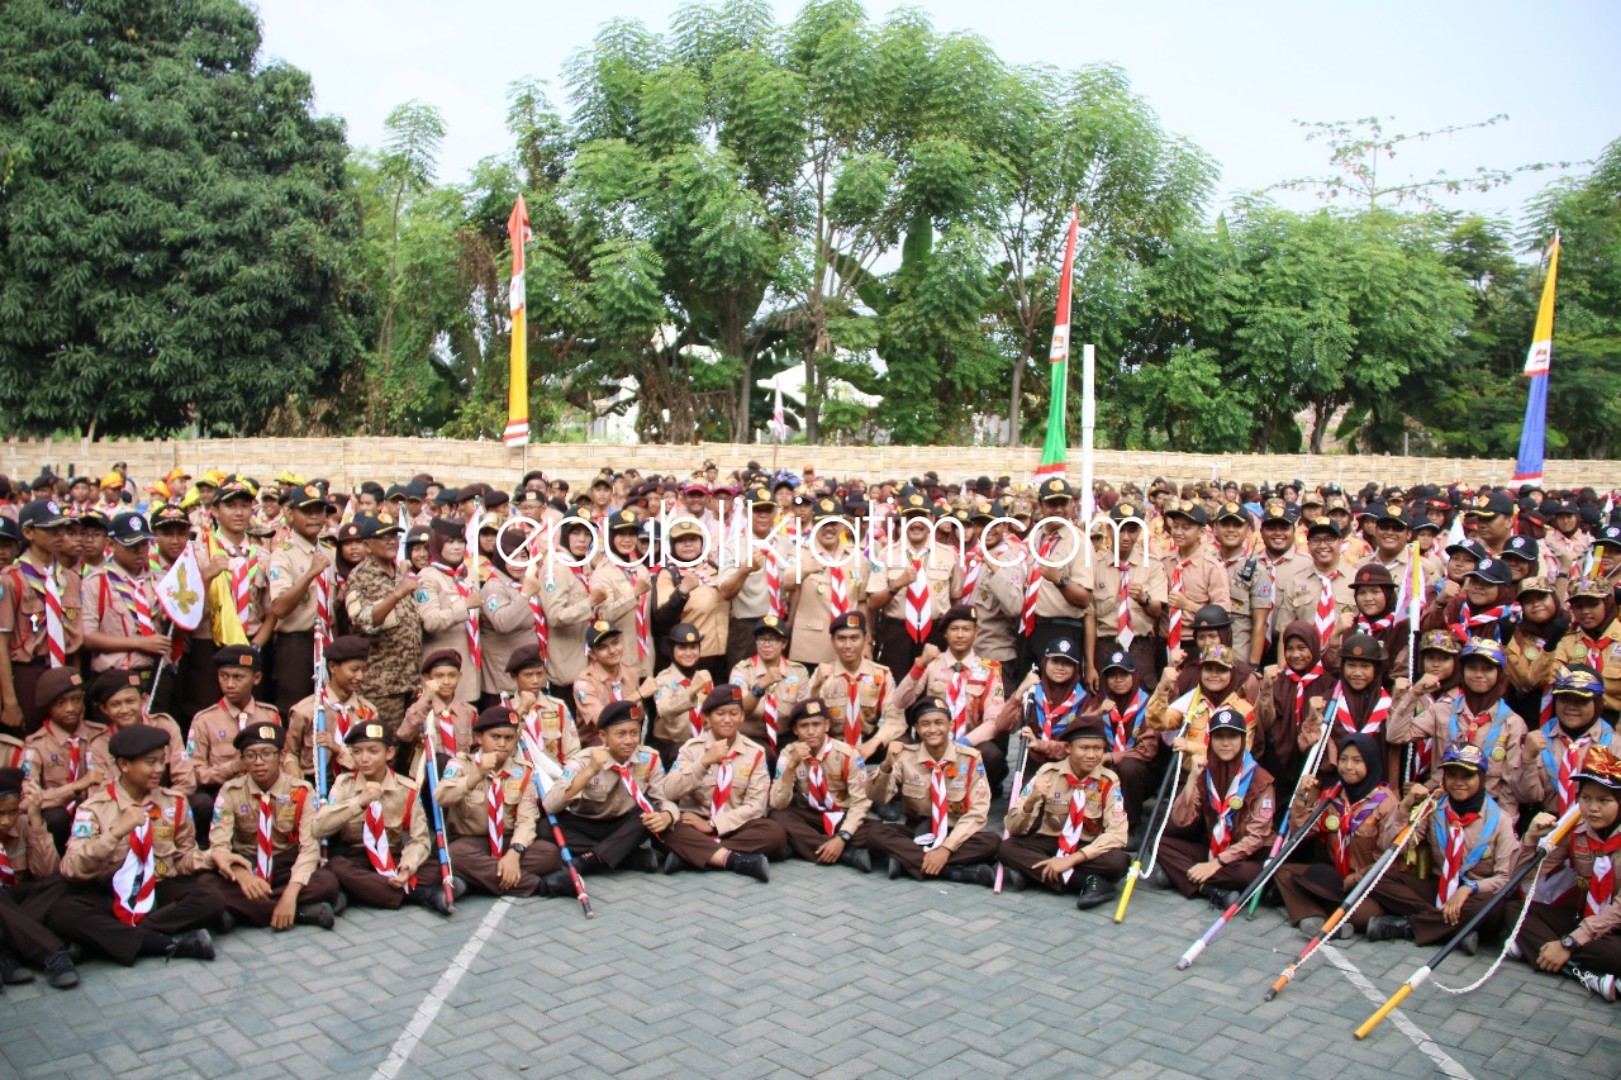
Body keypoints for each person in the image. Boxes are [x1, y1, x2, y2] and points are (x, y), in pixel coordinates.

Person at [48, 725, 222, 965]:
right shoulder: (94, 809)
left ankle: (107, 940)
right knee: (63, 912)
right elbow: (71, 868)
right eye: (150, 763)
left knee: (210, 898)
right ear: (123, 765)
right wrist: (116, 832)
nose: (159, 769)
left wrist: (214, 857)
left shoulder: (175, 803)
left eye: (162, 761)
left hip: (158, 888)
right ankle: (166, 943)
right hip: (112, 894)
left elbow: (183, 858)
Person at [1365, 744, 1518, 953]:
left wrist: (1468, 888)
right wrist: (1405, 806)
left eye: (1467, 776)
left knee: (1492, 906)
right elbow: (1392, 848)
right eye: (1452, 775)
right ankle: (1452, 929)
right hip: (1439, 888)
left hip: (1474, 895)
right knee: (1374, 875)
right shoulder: (1433, 808)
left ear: (1481, 778)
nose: (1459, 782)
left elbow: (1504, 879)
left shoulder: (1500, 820)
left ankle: (1408, 926)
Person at [1509, 744, 1621, 1001]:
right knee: (1515, 911)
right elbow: (1526, 877)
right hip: (1583, 917)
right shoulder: (1574, 827)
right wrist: (1531, 840)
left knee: (1614, 954)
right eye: (1586, 798)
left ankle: (1542, 951)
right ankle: (1581, 972)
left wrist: (1568, 943)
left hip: (1615, 928)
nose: (1592, 808)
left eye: (1604, 800)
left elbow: (1618, 911)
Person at [206, 723, 342, 931]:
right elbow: (219, 846)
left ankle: (244, 913)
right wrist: (242, 876)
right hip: (247, 864)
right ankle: (301, 913)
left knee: (327, 882)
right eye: (251, 755)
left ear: (281, 755)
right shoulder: (230, 791)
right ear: (242, 760)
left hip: (285, 865)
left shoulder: (302, 791)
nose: (259, 762)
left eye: (267, 753)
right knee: (206, 884)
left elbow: (309, 848)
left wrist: (291, 893)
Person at [311, 715, 453, 914]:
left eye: (373, 751)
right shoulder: (344, 784)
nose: (365, 758)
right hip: (356, 857)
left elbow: (419, 839)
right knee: (335, 867)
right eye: (357, 752)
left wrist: (407, 867)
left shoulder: (407, 788)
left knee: (436, 868)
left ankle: (359, 893)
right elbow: (318, 827)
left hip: (392, 856)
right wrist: (358, 803)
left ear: (389, 753)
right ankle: (418, 895)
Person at [1388, 637, 1534, 823]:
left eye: (1487, 669)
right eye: (1472, 668)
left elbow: (1510, 787)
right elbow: (1395, 735)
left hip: (1485, 817)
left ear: (1499, 674)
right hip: (1438, 811)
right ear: (1462, 671)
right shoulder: (1443, 710)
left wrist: (1501, 825)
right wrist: (1414, 693)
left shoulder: (1512, 724)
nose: (1479, 674)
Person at [1272, 732, 1399, 938]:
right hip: (1333, 879)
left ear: (1372, 763)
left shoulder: (1386, 803)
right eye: (1343, 759)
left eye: (1357, 761)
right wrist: (1301, 797)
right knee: (1280, 870)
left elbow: (1388, 860)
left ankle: (1329, 914)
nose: (1348, 767)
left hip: (1365, 883)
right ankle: (1314, 916)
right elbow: (1302, 832)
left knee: (1365, 913)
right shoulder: (1332, 795)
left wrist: (1354, 879)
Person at [1150, 705, 1278, 908]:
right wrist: (1192, 777)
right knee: (1159, 844)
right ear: (1211, 740)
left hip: (1245, 857)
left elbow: (1257, 837)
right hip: (1213, 849)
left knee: (1247, 875)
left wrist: (1216, 864)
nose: (1225, 743)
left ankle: (1181, 876)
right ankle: (1210, 890)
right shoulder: (1205, 771)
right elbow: (1182, 819)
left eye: (1232, 737)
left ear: (1242, 740)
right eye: (1219, 737)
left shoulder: (1260, 779)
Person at [998, 717, 1130, 909]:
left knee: (1118, 862)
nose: (1092, 755)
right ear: (1068, 748)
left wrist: (1069, 860)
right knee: (1007, 849)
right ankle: (1086, 883)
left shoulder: (1109, 781)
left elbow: (1117, 834)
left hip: (1086, 845)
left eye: (1098, 748)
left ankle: (1035, 876)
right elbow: (1013, 827)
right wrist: (1032, 800)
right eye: (1084, 748)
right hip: (1050, 841)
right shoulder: (1048, 773)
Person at [865, 696, 998, 884]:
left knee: (992, 843)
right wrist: (886, 764)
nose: (933, 729)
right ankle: (955, 872)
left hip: (955, 832)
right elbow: (876, 796)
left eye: (939, 723)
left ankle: (908, 862)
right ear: (917, 729)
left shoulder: (970, 759)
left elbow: (978, 812)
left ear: (950, 725)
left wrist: (946, 849)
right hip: (919, 831)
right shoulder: (905, 756)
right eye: (925, 724)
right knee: (873, 832)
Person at [538, 700, 670, 888]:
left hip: (622, 823)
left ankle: (586, 862)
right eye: (621, 734)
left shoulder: (649, 758)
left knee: (650, 814)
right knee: (544, 827)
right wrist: (590, 771)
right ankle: (628, 858)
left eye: (634, 733)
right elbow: (551, 804)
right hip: (585, 823)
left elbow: (663, 799)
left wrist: (667, 815)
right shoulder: (583, 760)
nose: (629, 741)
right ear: (603, 736)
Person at [433, 705, 562, 897]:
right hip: (471, 841)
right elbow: (441, 797)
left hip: (508, 839)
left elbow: (527, 820)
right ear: (478, 738)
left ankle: (478, 880)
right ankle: (539, 886)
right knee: (454, 855)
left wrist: (514, 853)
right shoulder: (461, 764)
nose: (502, 744)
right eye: (495, 737)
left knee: (550, 854)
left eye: (509, 738)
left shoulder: (524, 771)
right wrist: (478, 774)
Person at [658, 685, 783, 878]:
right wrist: (704, 762)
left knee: (775, 833)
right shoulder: (691, 749)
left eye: (734, 713)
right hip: (694, 821)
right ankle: (736, 860)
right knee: (667, 828)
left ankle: (691, 855)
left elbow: (756, 806)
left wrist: (713, 825)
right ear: (707, 717)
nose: (727, 720)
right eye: (720, 713)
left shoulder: (756, 752)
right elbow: (669, 791)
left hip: (734, 826)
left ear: (742, 716)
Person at [893, 605, 1009, 792]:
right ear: (945, 633)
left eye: (966, 629)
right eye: (954, 629)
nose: (960, 635)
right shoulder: (931, 664)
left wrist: (963, 744)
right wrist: (920, 665)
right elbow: (900, 701)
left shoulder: (989, 669)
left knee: (992, 755)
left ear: (976, 632)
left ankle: (984, 788)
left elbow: (994, 721)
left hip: (971, 743)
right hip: (934, 739)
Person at [0, 498, 84, 732]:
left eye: (62, 528)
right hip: (29, 672)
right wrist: (9, 702)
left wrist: (77, 683)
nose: (59, 534)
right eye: (50, 529)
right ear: (28, 532)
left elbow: (75, 638)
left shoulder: (69, 578)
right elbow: (2, 643)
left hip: (64, 669)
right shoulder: (12, 579)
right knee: (30, 738)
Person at [185, 645, 282, 845]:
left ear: (256, 678)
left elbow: (282, 757)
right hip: (220, 791)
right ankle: (206, 846)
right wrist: (232, 768)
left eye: (238, 677)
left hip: (262, 789)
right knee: (201, 803)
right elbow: (195, 772)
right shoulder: (204, 720)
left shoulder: (269, 715)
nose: (229, 684)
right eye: (223, 676)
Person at [768, 699, 873, 872]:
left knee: (874, 832)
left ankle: (805, 846)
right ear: (795, 730)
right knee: (778, 817)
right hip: (810, 816)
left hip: (842, 815)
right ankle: (847, 854)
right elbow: (777, 803)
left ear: (827, 725)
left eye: (816, 724)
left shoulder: (848, 754)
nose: (810, 731)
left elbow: (861, 803)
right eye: (804, 726)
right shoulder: (789, 753)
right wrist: (791, 766)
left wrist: (842, 837)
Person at [866, 487, 960, 679]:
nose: (916, 523)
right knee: (896, 690)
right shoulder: (886, 554)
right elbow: (873, 603)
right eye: (911, 518)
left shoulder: (949, 555)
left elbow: (956, 600)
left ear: (932, 520)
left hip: (935, 633)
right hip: (897, 635)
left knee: (934, 689)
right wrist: (896, 585)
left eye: (922, 517)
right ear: (903, 521)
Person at [343, 510, 424, 734]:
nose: (391, 541)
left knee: (408, 747)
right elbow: (362, 621)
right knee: (384, 743)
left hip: (409, 680)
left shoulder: (398, 573)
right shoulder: (360, 577)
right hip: (381, 685)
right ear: (367, 546)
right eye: (384, 537)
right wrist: (396, 595)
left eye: (394, 536)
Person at [0, 767, 79, 988]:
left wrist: (35, 819)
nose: (6, 821)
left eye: (12, 812)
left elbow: (46, 872)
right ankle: (53, 954)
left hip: (19, 904)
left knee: (63, 881)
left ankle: (7, 952)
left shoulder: (23, 824)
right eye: (0, 814)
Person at [80, 511, 170, 685]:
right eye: (131, 546)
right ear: (111, 544)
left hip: (157, 673)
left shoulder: (162, 580)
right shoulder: (96, 582)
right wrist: (138, 643)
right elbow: (88, 637)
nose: (139, 551)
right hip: (115, 676)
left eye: (144, 544)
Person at [267, 484, 333, 722]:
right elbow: (280, 608)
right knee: (295, 714)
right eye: (307, 511)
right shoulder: (283, 554)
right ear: (291, 514)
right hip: (296, 646)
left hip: (326, 643)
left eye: (320, 510)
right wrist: (309, 575)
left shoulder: (328, 552)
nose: (315, 517)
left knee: (326, 712)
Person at [805, 612, 904, 764]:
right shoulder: (822, 675)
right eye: (841, 639)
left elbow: (895, 719)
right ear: (832, 641)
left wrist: (874, 743)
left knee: (900, 745)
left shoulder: (882, 674)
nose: (848, 645)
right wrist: (816, 686)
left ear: (865, 640)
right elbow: (805, 718)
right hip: (831, 746)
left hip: (869, 743)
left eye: (854, 638)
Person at [1089, 499, 1166, 685]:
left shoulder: (1153, 566)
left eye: (1131, 530)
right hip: (1106, 644)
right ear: (1108, 530)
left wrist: (1143, 598)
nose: (1125, 536)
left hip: (1139, 646)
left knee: (1142, 701)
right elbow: (1089, 618)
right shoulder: (1094, 566)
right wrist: (1089, 664)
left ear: (1139, 532)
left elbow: (1157, 611)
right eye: (1119, 528)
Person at [282, 635, 376, 784]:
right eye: (354, 670)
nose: (360, 676)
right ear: (332, 667)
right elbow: (290, 752)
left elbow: (374, 758)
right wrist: (292, 770)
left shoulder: (368, 713)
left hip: (355, 784)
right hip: (314, 784)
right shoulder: (305, 711)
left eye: (363, 670)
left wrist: (337, 748)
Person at [1523, 666, 1616, 817]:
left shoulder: (1613, 744)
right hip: (1547, 826)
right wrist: (1527, 759)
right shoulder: (1538, 739)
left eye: (1581, 701)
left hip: (1592, 830)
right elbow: (1526, 797)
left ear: (1598, 703)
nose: (1571, 707)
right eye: (1565, 699)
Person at [86, 669, 191, 797]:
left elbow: (185, 780)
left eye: (130, 701)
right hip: (122, 810)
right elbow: (98, 794)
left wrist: (161, 805)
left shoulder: (165, 726)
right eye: (115, 704)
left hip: (165, 803)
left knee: (200, 803)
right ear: (104, 709)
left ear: (143, 700)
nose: (124, 710)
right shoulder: (98, 744)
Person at [730, 614, 811, 765]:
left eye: (773, 639)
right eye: (761, 639)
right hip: (751, 736)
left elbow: (804, 712)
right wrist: (760, 686)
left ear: (784, 643)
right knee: (765, 756)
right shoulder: (742, 670)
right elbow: (738, 709)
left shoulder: (798, 672)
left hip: (785, 735)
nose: (766, 644)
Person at [416, 518, 481, 704]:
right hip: (442, 671)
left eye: (461, 542)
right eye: (450, 541)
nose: (457, 547)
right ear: (437, 543)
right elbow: (430, 621)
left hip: (470, 668)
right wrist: (464, 606)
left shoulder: (470, 575)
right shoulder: (427, 578)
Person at [395, 650, 479, 769]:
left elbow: (477, 746)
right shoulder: (420, 708)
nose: (446, 682)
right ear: (427, 678)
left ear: (460, 677)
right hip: (427, 777)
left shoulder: (469, 712)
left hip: (460, 775)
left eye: (452, 675)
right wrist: (426, 699)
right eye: (439, 676)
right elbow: (404, 734)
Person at [1211, 501, 1271, 666]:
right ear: (1215, 529)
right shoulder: (1206, 564)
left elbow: (1260, 623)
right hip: (1206, 652)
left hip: (1238, 655)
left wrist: (1253, 665)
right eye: (1225, 524)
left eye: (1237, 525)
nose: (1231, 530)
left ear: (1248, 530)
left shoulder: (1257, 570)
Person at [646, 623, 713, 766]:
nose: (688, 653)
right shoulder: (662, 679)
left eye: (693, 647)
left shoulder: (704, 676)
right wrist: (692, 690)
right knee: (682, 752)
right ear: (671, 650)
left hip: (703, 742)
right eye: (682, 648)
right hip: (670, 746)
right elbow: (664, 710)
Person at [1556, 577, 1621, 717]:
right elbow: (1546, 679)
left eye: (1593, 604)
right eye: (1579, 606)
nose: (1585, 611)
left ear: (1608, 603)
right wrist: (1549, 646)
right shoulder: (1567, 641)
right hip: (1575, 718)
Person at [574, 620, 633, 747]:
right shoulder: (583, 683)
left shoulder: (631, 672)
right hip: (597, 743)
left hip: (631, 739)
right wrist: (639, 694)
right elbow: (603, 720)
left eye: (615, 643)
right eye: (603, 647)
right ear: (592, 654)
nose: (612, 650)